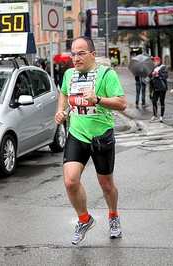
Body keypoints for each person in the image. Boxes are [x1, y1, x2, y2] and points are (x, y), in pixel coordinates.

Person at [54, 36, 127, 245]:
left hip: (101, 136)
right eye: (73, 54)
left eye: (81, 53)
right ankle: (84, 219)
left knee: (106, 184)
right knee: (70, 181)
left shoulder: (106, 74)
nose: (76, 58)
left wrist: (98, 99)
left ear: (93, 55)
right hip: (77, 134)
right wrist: (61, 112)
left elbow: (122, 104)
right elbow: (64, 94)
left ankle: (113, 216)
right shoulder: (69, 74)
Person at [149, 56, 168, 123]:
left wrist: (158, 73)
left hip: (162, 88)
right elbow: (150, 75)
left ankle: (161, 116)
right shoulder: (154, 68)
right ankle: (155, 115)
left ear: (159, 61)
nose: (154, 62)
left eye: (155, 61)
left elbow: (165, 76)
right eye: (153, 61)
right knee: (154, 101)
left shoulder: (163, 68)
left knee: (162, 101)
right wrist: (152, 74)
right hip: (155, 88)